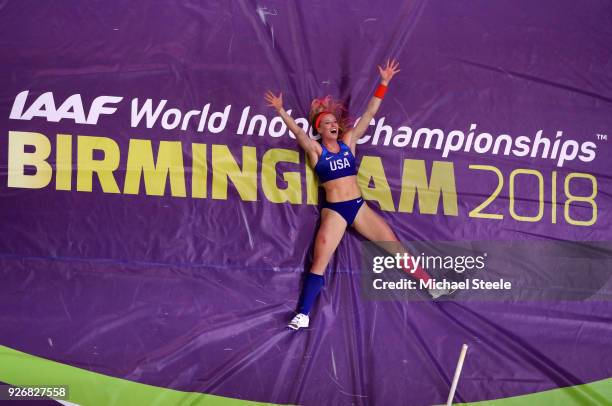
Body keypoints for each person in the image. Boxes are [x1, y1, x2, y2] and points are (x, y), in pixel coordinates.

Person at [264, 59, 451, 331]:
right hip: (336, 211)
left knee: (394, 246)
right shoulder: (317, 151)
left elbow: (370, 114)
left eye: (333, 122)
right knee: (320, 261)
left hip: (358, 207)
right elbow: (297, 133)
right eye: (325, 122)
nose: (331, 125)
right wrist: (281, 111)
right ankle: (303, 313)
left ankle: (431, 285)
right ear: (319, 128)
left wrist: (384, 83)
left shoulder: (349, 142)